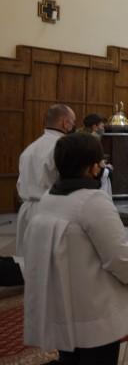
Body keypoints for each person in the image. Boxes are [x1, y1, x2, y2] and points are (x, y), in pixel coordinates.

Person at [23, 132, 128, 365]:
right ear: (93, 168)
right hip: (95, 312)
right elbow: (118, 256)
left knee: (70, 358)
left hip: (64, 307)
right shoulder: (93, 201)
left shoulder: (49, 198)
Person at [0, 104, 77, 287]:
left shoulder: (30, 148)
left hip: (27, 208)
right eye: (73, 122)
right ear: (66, 123)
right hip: (51, 210)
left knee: (30, 260)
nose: (74, 126)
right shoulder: (64, 148)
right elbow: (67, 182)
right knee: (50, 266)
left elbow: (20, 183)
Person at [82, 113, 113, 196]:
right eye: (102, 126)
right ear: (94, 127)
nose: (103, 129)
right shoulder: (92, 141)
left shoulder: (82, 137)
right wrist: (106, 168)